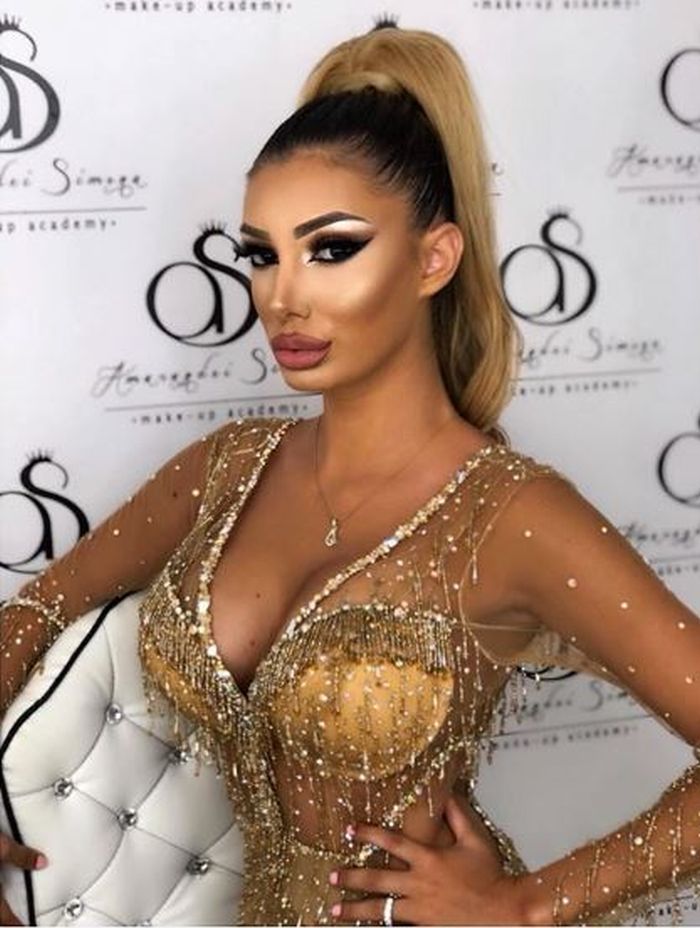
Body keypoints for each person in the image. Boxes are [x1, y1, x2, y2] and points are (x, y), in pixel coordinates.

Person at [1, 17, 699, 928]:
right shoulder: (229, 466)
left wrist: (527, 906)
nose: (282, 296)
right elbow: (38, 609)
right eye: (261, 255)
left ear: (434, 258)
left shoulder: (511, 515)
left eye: (331, 249)